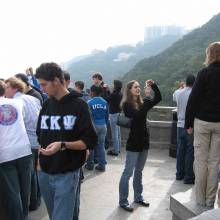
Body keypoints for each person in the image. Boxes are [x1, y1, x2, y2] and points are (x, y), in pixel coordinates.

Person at [35, 62, 97, 220]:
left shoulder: (79, 105)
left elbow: (89, 140)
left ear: (56, 80)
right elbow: (40, 135)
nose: (42, 89)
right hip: (44, 172)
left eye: (44, 84)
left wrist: (62, 145)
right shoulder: (47, 104)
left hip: (66, 173)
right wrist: (39, 163)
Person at [185, 42, 220, 208]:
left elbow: (193, 99)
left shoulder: (204, 73)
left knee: (200, 161)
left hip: (203, 122)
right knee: (214, 163)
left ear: (210, 54)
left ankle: (200, 200)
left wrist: (188, 123)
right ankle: (210, 200)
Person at [119, 79, 161, 212]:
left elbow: (159, 98)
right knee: (128, 172)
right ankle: (123, 201)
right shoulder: (126, 104)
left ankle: (138, 197)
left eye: (139, 87)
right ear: (129, 90)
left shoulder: (142, 103)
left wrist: (153, 86)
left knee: (139, 171)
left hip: (144, 142)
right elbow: (138, 115)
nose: (138, 89)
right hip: (134, 143)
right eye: (135, 87)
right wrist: (148, 97)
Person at [0, 80, 32, 220]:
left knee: (12, 191)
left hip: (5, 154)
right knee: (25, 188)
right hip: (24, 149)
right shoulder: (18, 103)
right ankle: (24, 214)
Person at [175, 74, 195, 184]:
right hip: (190, 126)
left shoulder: (178, 93)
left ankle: (179, 174)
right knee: (189, 152)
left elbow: (175, 97)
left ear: (186, 82)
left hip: (179, 125)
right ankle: (188, 177)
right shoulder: (194, 93)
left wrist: (180, 88)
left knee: (180, 151)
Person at [85, 84, 109, 171]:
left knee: (91, 146)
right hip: (103, 126)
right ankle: (102, 165)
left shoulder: (89, 103)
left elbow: (87, 117)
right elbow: (107, 116)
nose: (89, 93)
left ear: (93, 92)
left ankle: (90, 164)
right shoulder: (104, 102)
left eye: (90, 91)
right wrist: (105, 124)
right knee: (101, 146)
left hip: (93, 126)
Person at [106, 80, 123, 156]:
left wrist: (106, 91)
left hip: (113, 115)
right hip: (119, 114)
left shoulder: (114, 94)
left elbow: (107, 100)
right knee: (118, 133)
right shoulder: (120, 93)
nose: (112, 85)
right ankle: (118, 148)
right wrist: (109, 92)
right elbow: (111, 98)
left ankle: (115, 151)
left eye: (113, 84)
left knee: (114, 133)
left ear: (115, 86)